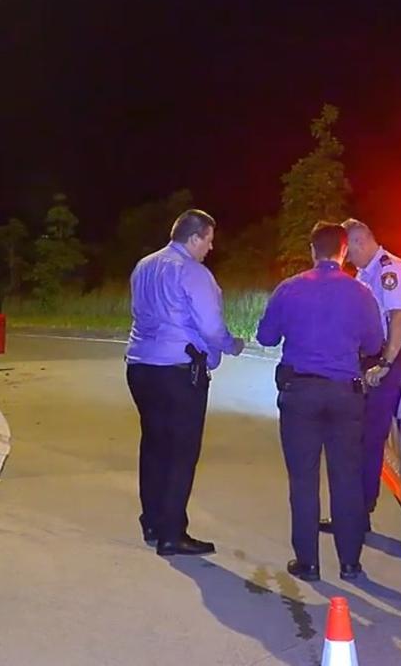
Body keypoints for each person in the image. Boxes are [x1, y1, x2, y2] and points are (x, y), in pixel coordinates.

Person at [256, 222, 384, 581]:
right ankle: (350, 563)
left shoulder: (290, 288)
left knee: (303, 478)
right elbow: (374, 344)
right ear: (343, 252)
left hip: (300, 394)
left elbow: (266, 337)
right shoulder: (360, 293)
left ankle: (308, 563)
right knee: (346, 478)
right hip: (346, 395)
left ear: (313, 250)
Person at [125, 209, 246, 556]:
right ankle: (172, 533)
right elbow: (210, 327)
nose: (211, 247)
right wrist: (231, 344)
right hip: (179, 370)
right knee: (181, 452)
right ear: (193, 237)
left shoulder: (143, 266)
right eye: (208, 239)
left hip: (140, 366)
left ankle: (152, 521)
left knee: (154, 445)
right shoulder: (193, 272)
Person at [331, 218, 401, 531]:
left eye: (347, 250)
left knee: (369, 439)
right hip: (369, 359)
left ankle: (360, 511)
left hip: (384, 359)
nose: (346, 257)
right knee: (355, 437)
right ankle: (354, 510)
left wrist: (386, 363)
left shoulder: (390, 269)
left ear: (359, 242)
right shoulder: (366, 274)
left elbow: (399, 317)